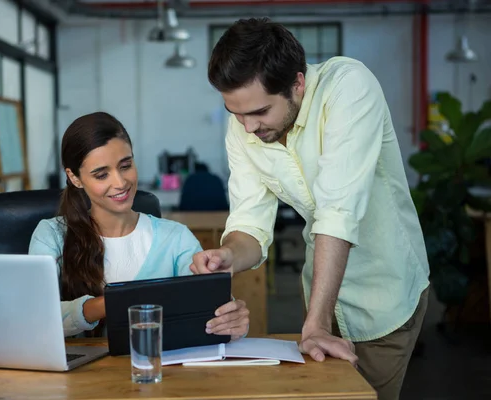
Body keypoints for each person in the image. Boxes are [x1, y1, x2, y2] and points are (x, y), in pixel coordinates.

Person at [191, 18, 430, 400]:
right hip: (320, 291)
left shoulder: (349, 88)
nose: (247, 127)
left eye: (260, 112)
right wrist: (229, 254)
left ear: (297, 83)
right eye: (235, 113)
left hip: (384, 293)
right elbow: (250, 225)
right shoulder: (244, 127)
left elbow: (338, 211)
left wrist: (314, 324)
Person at [29, 112, 250, 339]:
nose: (120, 182)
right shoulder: (51, 235)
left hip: (156, 371)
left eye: (125, 166)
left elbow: (209, 309)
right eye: (101, 174)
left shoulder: (175, 238)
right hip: (76, 374)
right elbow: (35, 317)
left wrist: (231, 321)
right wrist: (114, 303)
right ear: (75, 178)